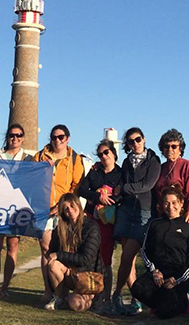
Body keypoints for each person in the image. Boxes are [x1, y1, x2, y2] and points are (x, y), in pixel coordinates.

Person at [111, 127, 161, 315]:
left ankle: (120, 294)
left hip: (143, 211)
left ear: (144, 139)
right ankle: (134, 299)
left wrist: (123, 188)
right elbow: (121, 182)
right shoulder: (126, 161)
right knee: (128, 259)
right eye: (131, 142)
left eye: (138, 139)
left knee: (129, 256)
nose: (135, 144)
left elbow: (147, 185)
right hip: (126, 210)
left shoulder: (153, 161)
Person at [33, 124, 86, 301]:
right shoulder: (39, 157)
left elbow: (76, 185)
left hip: (65, 211)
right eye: (54, 137)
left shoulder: (74, 158)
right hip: (44, 210)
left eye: (61, 137)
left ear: (67, 138)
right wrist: (41, 168)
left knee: (65, 248)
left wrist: (63, 205)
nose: (57, 140)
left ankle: (64, 290)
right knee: (46, 249)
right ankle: (49, 291)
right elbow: (30, 179)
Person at [134, 186, 189, 319]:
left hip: (177, 277)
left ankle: (182, 303)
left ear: (181, 204)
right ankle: (158, 304)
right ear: (162, 204)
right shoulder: (155, 224)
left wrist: (177, 279)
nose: (170, 207)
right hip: (157, 275)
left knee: (164, 314)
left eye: (174, 203)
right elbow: (145, 250)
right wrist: (154, 271)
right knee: (137, 288)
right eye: (166, 203)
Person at [153, 128, 189, 308]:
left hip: (182, 219)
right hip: (163, 219)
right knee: (164, 258)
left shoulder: (186, 165)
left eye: (174, 146)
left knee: (183, 259)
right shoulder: (161, 167)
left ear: (180, 148)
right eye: (166, 146)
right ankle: (164, 301)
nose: (170, 149)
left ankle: (188, 301)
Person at [76, 139, 123, 313]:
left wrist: (110, 200)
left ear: (114, 154)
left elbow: (123, 193)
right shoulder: (95, 171)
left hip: (108, 221)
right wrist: (98, 198)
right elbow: (82, 190)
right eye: (101, 154)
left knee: (106, 260)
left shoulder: (120, 173)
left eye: (106, 153)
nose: (104, 156)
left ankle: (107, 298)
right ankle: (91, 296)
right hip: (91, 220)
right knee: (89, 257)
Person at [0, 124, 33, 300]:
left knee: (12, 246)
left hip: (16, 207)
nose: (15, 138)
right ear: (7, 136)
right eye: (12, 135)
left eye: (19, 135)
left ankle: (5, 286)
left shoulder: (28, 158)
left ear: (23, 137)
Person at [43, 193, 102, 312]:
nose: (70, 210)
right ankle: (60, 297)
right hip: (70, 273)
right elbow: (52, 251)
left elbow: (86, 259)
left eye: (72, 205)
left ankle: (93, 300)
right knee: (53, 264)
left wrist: (59, 255)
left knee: (76, 304)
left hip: (88, 276)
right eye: (66, 208)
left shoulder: (91, 227)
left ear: (78, 205)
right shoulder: (61, 228)